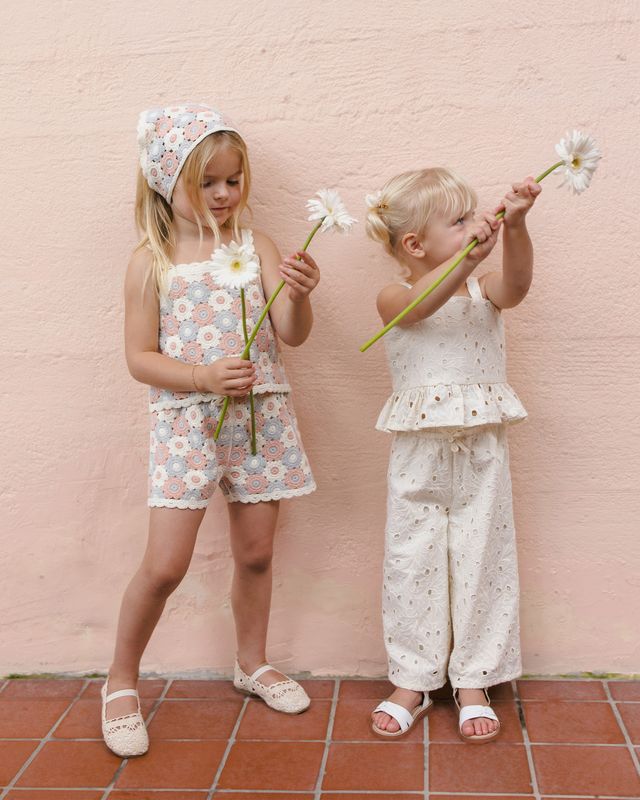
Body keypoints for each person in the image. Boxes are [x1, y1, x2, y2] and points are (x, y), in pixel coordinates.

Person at [102, 103, 319, 757]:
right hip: (185, 426)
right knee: (165, 565)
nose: (225, 195)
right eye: (209, 183)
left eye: (234, 179)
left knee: (256, 553)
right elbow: (139, 358)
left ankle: (250, 662)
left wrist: (302, 295)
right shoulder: (152, 261)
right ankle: (119, 681)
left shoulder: (257, 248)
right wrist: (201, 377)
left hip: (261, 420)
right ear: (170, 183)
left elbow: (291, 335)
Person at [365, 167, 540, 742]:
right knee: (410, 559)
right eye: (459, 220)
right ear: (414, 244)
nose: (474, 224)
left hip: (481, 445)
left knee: (483, 555)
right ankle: (412, 677)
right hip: (420, 451)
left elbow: (515, 287)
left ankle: (475, 678)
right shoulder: (394, 294)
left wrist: (514, 228)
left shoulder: (481, 286)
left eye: (473, 214)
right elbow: (417, 309)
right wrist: (466, 257)